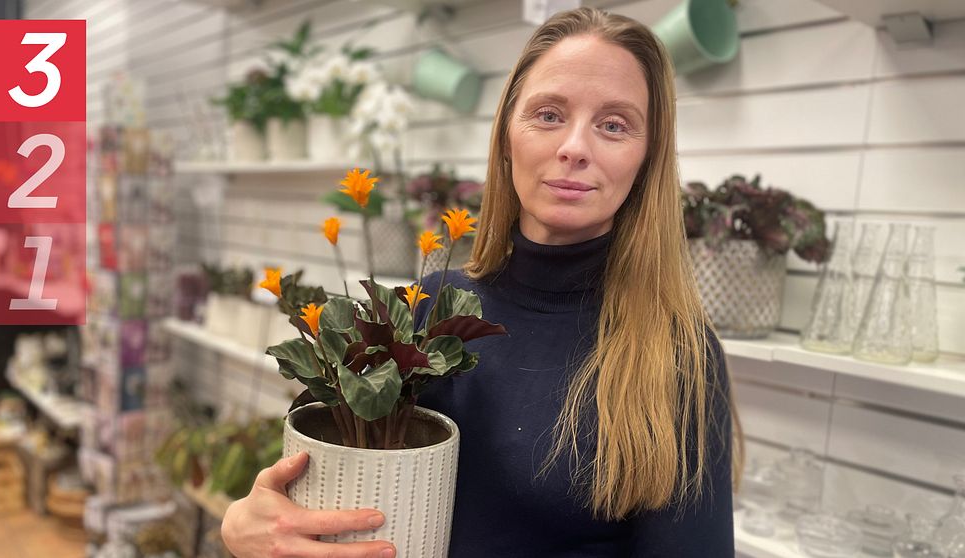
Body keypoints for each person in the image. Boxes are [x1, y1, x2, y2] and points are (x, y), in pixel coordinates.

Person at [221, 7, 741, 557]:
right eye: (547, 114)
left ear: (647, 156)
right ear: (507, 135)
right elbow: (298, 484)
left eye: (614, 124)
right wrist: (244, 523)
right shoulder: (428, 312)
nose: (575, 147)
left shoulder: (673, 353)